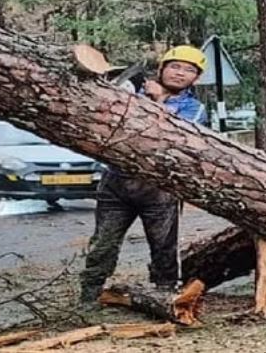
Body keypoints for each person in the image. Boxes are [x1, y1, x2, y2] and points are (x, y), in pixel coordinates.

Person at [79, 45, 208, 302]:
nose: (180, 73)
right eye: (174, 66)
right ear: (161, 69)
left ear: (196, 78)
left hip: (160, 188)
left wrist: (158, 101)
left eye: (188, 70)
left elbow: (175, 135)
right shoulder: (130, 95)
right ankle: (89, 296)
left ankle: (164, 295)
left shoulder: (195, 109)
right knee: (102, 244)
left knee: (163, 247)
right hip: (116, 182)